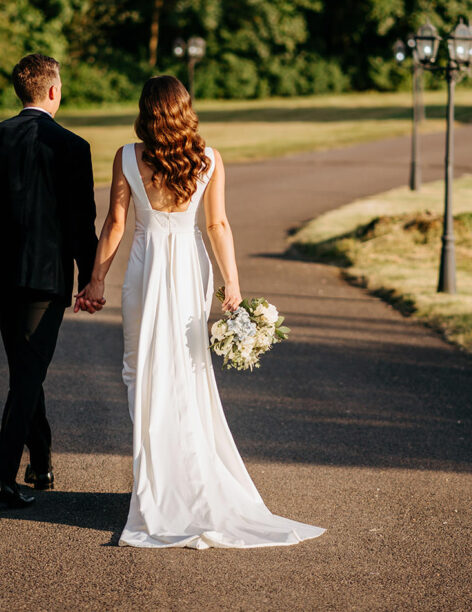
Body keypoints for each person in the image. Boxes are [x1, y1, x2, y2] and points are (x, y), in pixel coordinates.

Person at [77, 75, 324, 548]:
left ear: (146, 110)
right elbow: (217, 224)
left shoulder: (128, 156)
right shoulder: (208, 158)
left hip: (145, 273)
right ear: (185, 109)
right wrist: (232, 281)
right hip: (190, 268)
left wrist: (95, 279)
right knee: (189, 373)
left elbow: (114, 223)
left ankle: (160, 479)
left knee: (141, 371)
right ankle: (181, 479)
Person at [0, 53, 101, 509]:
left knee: (25, 369)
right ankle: (3, 475)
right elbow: (81, 222)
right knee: (29, 371)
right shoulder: (74, 146)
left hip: (0, 275)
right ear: (54, 91)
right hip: (47, 277)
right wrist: (91, 278)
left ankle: (41, 461)